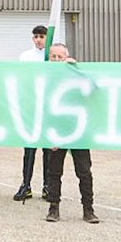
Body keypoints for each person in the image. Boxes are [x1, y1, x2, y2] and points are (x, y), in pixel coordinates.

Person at [41, 42, 98, 224]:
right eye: (53, 57)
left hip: (79, 130)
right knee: (54, 172)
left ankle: (88, 209)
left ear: (67, 57)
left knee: (84, 172)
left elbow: (94, 88)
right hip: (57, 131)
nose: (57, 60)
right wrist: (47, 134)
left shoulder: (76, 75)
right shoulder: (46, 77)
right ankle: (53, 208)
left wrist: (77, 70)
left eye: (60, 57)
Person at [14, 24, 48, 202]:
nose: (38, 40)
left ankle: (48, 185)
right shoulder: (25, 56)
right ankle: (26, 185)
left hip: (48, 108)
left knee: (48, 150)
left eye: (42, 37)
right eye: (36, 37)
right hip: (31, 106)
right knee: (29, 149)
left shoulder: (51, 56)